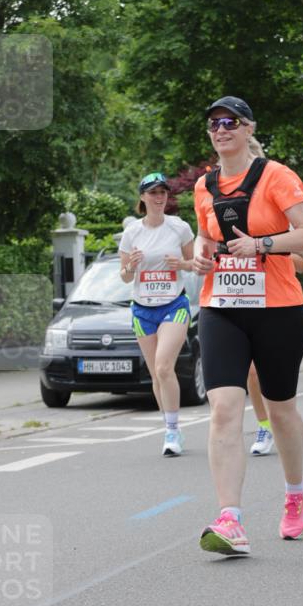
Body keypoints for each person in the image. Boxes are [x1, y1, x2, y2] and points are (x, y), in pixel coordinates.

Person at [192, 96, 303, 556]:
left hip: (278, 308)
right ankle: (231, 518)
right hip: (221, 304)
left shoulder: (276, 176)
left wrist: (263, 244)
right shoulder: (205, 185)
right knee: (224, 407)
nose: (219, 129)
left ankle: (295, 491)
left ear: (248, 128)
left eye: (228, 122)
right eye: (213, 124)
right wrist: (201, 252)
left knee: (280, 407)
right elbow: (206, 234)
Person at [119, 172, 195, 456]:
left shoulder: (179, 228)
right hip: (142, 309)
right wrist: (132, 266)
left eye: (163, 192)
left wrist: (181, 264)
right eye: (153, 193)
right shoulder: (132, 233)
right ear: (142, 198)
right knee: (156, 374)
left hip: (173, 305)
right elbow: (125, 277)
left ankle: (173, 432)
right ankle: (169, 427)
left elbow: (194, 264)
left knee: (165, 367)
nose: (159, 197)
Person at [248, 251, 303, 455]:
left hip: (281, 305)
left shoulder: (290, 222)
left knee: (279, 377)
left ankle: (284, 423)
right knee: (252, 372)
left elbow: (301, 265)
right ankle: (264, 425)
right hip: (244, 301)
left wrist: (265, 247)